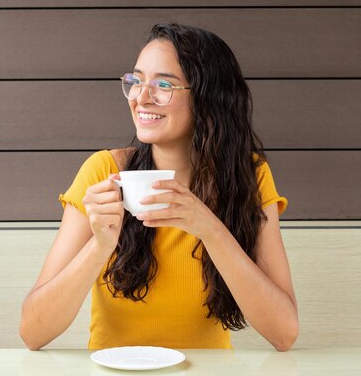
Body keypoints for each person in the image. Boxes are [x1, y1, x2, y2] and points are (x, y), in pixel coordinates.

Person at [20, 23, 298, 351]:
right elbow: (33, 332)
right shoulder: (104, 172)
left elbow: (284, 333)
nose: (141, 97)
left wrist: (210, 229)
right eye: (136, 81)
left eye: (164, 84)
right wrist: (99, 246)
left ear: (208, 99)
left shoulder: (249, 177)